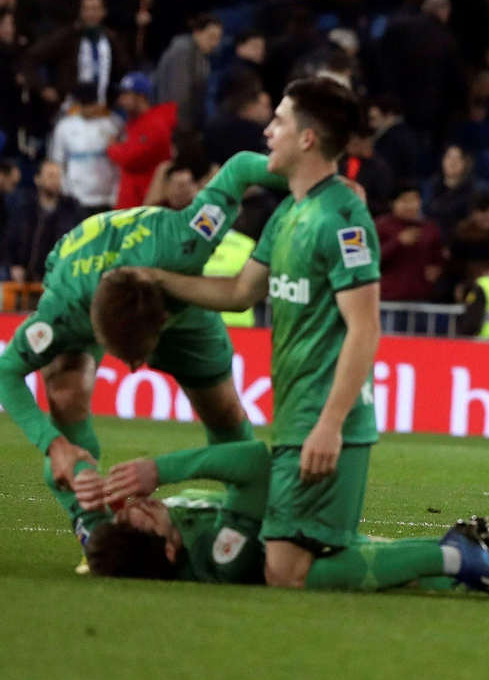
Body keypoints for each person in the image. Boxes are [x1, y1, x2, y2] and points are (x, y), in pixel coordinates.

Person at [138, 78, 391, 591]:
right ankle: (458, 561)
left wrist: (331, 423)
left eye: (279, 120)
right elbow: (237, 292)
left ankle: (453, 558)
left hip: (325, 418)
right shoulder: (288, 214)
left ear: (307, 139)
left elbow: (365, 328)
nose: (267, 130)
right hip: (296, 414)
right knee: (291, 564)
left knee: (285, 571)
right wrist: (158, 280)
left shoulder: (344, 219)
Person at [0, 150, 279, 517]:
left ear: (164, 319)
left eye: (138, 355)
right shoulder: (63, 309)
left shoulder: (186, 242)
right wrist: (54, 446)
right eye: (124, 356)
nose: (134, 369)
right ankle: (93, 527)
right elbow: (7, 371)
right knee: (64, 394)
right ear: (94, 329)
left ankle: (251, 514)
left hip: (175, 289)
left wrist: (320, 188)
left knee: (225, 413)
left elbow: (242, 167)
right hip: (81, 276)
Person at [73, 441, 489, 597]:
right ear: (168, 552)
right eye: (139, 521)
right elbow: (252, 462)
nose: (135, 508)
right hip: (306, 518)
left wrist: (83, 482)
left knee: (373, 559)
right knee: (345, 567)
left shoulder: (143, 539)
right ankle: (463, 557)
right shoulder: (218, 554)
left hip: (309, 528)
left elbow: (89, 522)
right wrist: (161, 470)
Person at [3, 161, 85, 284]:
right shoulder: (24, 207)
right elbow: (9, 240)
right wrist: (14, 265)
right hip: (24, 275)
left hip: (58, 275)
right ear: (37, 179)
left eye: (58, 176)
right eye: (51, 176)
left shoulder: (72, 209)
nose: (56, 181)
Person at [105, 72, 177, 209]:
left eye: (126, 94)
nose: (121, 100)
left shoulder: (155, 124)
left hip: (147, 203)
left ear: (141, 96)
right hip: (131, 202)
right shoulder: (133, 122)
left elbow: (132, 159)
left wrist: (112, 148)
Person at [50, 84, 124, 211]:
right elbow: (58, 161)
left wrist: (116, 195)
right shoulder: (65, 126)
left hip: (106, 198)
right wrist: (66, 191)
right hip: (77, 197)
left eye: (90, 103)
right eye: (83, 103)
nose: (87, 108)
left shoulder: (114, 124)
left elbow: (121, 162)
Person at [153, 13, 223, 131]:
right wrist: (184, 131)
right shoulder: (183, 52)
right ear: (197, 32)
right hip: (174, 125)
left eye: (218, 38)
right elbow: (178, 95)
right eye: (211, 37)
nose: (214, 43)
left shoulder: (201, 56)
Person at [377, 185, 444, 302]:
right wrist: (397, 242)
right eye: (404, 200)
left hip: (422, 300)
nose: (410, 205)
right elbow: (372, 259)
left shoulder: (430, 228)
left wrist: (438, 268)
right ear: (393, 203)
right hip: (389, 300)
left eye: (414, 200)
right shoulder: (381, 226)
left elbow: (438, 258)